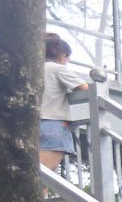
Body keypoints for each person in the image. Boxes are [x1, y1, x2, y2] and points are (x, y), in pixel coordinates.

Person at [39, 34, 91, 170]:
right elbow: (85, 88)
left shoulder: (33, 70)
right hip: (53, 125)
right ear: (62, 55)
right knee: (44, 178)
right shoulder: (57, 69)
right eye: (67, 57)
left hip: (32, 125)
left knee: (33, 176)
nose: (68, 60)